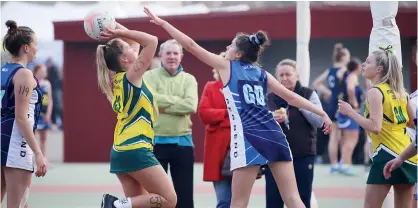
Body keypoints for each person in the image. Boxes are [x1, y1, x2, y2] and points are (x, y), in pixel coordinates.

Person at [144, 7, 332, 208]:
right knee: (293, 199)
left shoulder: (227, 67)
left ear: (238, 54)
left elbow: (190, 45)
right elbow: (291, 97)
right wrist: (321, 112)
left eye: (231, 45)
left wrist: (163, 23)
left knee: (238, 203)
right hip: (275, 135)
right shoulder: (262, 73)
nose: (227, 47)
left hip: (249, 137)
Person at [95, 22, 176, 208]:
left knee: (139, 204)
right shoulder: (131, 76)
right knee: (170, 200)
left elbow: (134, 42)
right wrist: (121, 32)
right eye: (128, 49)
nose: (133, 49)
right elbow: (152, 41)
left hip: (121, 150)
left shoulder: (119, 78)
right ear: (124, 59)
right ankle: (115, 205)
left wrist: (113, 25)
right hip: (135, 148)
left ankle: (119, 205)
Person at [338, 45, 417, 208]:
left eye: (368, 62)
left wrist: (351, 112)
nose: (364, 65)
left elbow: (375, 127)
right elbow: (412, 122)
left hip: (386, 154)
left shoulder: (375, 91)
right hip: (408, 155)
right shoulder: (402, 92)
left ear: (379, 69)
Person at [143, 39, 198, 208]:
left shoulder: (189, 79)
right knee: (156, 197)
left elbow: (191, 106)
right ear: (160, 55)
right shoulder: (148, 76)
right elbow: (149, 101)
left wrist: (161, 103)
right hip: (154, 143)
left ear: (181, 56)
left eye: (175, 53)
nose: (172, 57)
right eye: (168, 53)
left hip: (183, 143)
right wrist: (176, 101)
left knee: (184, 197)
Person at [265, 59, 324, 208]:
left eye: (288, 74)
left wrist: (298, 103)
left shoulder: (308, 94)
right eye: (281, 75)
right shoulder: (269, 98)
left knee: (303, 199)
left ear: (297, 75)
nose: (284, 78)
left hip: (302, 155)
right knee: (273, 201)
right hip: (275, 157)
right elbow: (260, 126)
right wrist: (272, 118)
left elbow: (319, 121)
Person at [1, 20, 47, 208]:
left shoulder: (3, 70)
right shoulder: (24, 75)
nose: (37, 49)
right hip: (15, 141)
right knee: (17, 204)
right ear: (26, 47)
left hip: (4, 136)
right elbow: (21, 117)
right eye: (36, 44)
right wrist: (38, 153)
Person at [198, 52, 233, 208]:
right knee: (224, 200)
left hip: (240, 147)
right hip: (217, 149)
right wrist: (228, 113)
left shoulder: (243, 88)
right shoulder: (211, 87)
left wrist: (219, 116)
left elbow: (247, 116)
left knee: (239, 202)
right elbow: (204, 114)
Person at [313, 43, 350, 174]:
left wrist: (328, 92)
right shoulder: (345, 70)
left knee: (335, 136)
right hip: (343, 105)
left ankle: (335, 164)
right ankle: (342, 163)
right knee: (345, 136)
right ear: (344, 57)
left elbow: (316, 83)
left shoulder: (330, 70)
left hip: (333, 105)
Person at [336, 58, 364, 176]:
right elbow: (350, 88)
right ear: (357, 67)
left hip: (344, 111)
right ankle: (346, 165)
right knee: (352, 139)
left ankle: (343, 162)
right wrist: (354, 103)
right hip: (350, 111)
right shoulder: (352, 76)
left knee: (346, 139)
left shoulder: (345, 75)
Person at [33, 64, 53, 165]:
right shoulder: (32, 81)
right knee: (33, 137)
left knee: (43, 138)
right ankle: (35, 160)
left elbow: (50, 100)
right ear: (37, 71)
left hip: (44, 114)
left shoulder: (47, 84)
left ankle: (44, 159)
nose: (44, 73)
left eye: (45, 71)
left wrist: (48, 114)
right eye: (42, 71)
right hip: (34, 113)